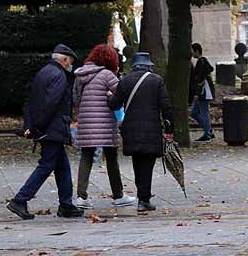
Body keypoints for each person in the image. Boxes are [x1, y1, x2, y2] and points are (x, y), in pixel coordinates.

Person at [7, 44, 83, 220]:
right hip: (53, 129)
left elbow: (31, 101)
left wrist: (30, 124)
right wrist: (37, 128)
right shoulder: (59, 76)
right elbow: (50, 104)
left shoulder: (44, 72)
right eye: (70, 62)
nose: (70, 66)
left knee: (62, 167)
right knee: (46, 165)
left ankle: (66, 205)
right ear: (64, 59)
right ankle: (20, 200)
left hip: (48, 128)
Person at [72, 44, 136, 209]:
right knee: (111, 158)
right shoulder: (107, 75)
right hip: (105, 124)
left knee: (86, 156)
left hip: (86, 121)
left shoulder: (80, 75)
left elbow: (76, 98)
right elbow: (121, 95)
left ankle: (81, 196)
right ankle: (118, 195)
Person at [109, 52, 173, 213]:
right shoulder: (157, 80)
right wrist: (169, 129)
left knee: (137, 163)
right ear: (149, 66)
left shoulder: (125, 81)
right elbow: (166, 106)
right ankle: (144, 199)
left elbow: (115, 104)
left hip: (131, 129)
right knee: (148, 164)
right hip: (152, 128)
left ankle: (142, 197)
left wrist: (108, 97)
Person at [189, 43, 215, 143]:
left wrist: (197, 93)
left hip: (203, 92)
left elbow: (200, 79)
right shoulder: (202, 61)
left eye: (192, 50)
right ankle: (209, 130)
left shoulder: (201, 62)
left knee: (204, 113)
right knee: (194, 113)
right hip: (204, 91)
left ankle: (207, 133)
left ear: (196, 51)